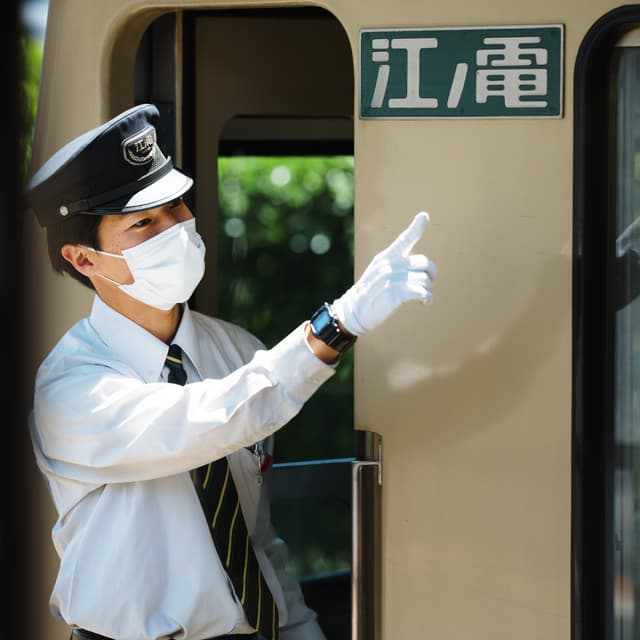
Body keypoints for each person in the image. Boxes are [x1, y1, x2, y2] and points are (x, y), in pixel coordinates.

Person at [24, 103, 437, 640]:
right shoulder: (72, 387)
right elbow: (208, 419)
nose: (176, 228)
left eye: (176, 205)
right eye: (144, 222)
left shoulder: (239, 351)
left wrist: (298, 626)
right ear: (84, 260)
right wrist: (336, 324)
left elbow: (252, 533)